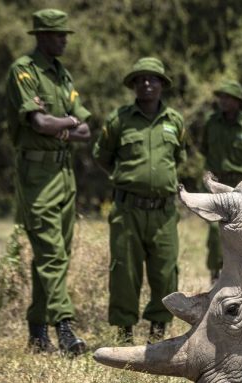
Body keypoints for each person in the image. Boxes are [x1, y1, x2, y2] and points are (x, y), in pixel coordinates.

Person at [5, 8, 91, 356]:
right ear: (41, 37)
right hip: (36, 174)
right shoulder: (23, 71)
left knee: (55, 255)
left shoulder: (62, 75)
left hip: (64, 172)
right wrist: (66, 122)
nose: (64, 40)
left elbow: (84, 129)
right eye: (58, 35)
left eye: (65, 35)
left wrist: (64, 122)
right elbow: (38, 123)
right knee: (51, 253)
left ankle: (37, 333)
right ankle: (65, 328)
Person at [93, 57, 187, 343]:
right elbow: (102, 156)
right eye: (141, 79)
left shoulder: (174, 121)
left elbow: (178, 157)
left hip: (163, 212)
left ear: (161, 85)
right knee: (124, 271)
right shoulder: (118, 120)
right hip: (127, 210)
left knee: (166, 272)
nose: (147, 83)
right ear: (134, 85)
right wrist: (129, 180)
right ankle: (124, 333)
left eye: (153, 79)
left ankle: (158, 332)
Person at [200, 79, 242, 282]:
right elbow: (204, 149)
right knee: (214, 230)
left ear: (238, 101)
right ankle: (215, 273)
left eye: (228, 98)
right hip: (216, 184)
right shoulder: (211, 123)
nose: (223, 101)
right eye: (222, 97)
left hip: (240, 186)